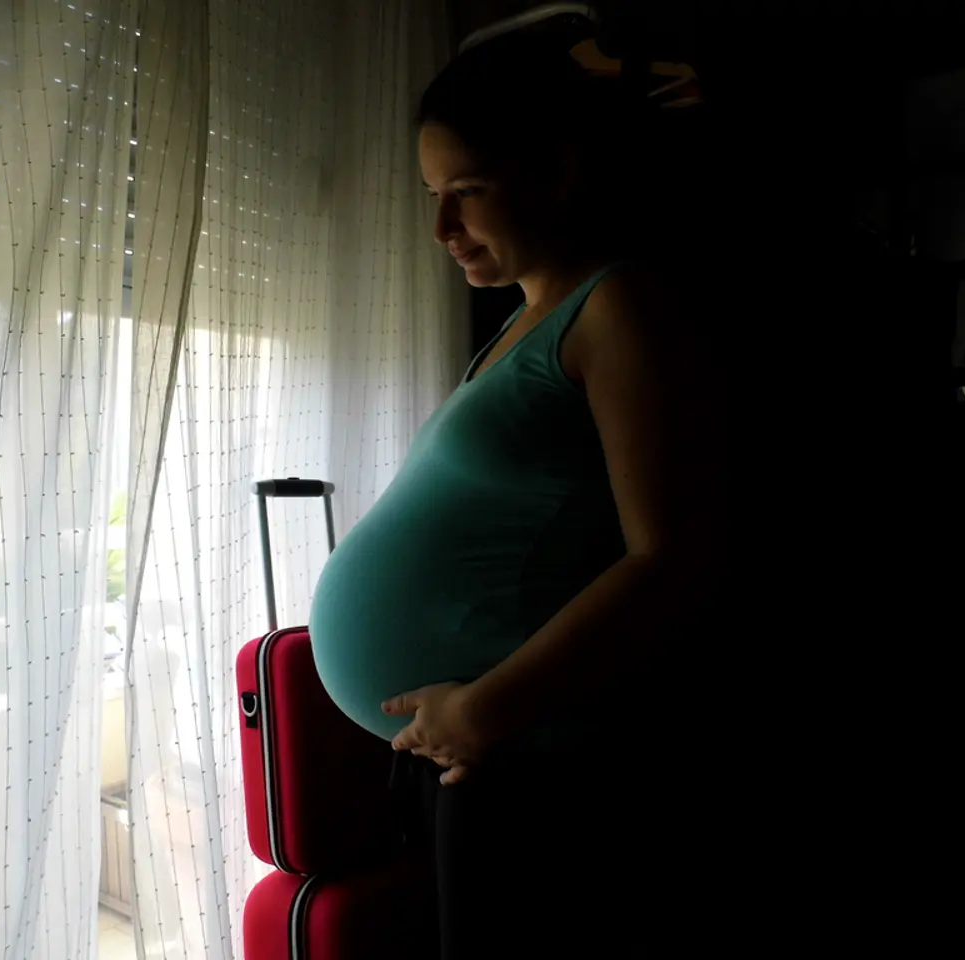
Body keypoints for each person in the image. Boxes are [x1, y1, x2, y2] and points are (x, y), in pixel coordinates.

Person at [307, 27, 726, 958]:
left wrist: (486, 708)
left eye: (467, 191)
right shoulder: (519, 322)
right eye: (432, 196)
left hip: (527, 753)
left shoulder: (616, 306)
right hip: (477, 753)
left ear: (558, 172)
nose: (441, 229)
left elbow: (676, 555)